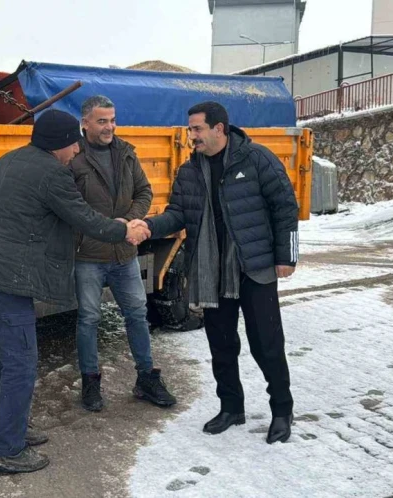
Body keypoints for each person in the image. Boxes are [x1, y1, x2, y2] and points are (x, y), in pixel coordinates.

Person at [0, 109, 150, 474]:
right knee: (21, 363)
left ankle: (9, 430)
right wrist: (124, 230)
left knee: (5, 359)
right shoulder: (53, 173)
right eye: (73, 143)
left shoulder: (6, 162)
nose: (77, 150)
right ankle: (9, 451)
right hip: (8, 279)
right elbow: (83, 218)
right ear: (60, 143)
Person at [136, 101, 299, 444]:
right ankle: (231, 407)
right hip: (211, 270)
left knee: (267, 345)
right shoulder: (189, 171)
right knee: (221, 344)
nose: (191, 135)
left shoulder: (257, 160)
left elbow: (286, 207)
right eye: (190, 129)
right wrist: (148, 226)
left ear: (219, 129)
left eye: (196, 129)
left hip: (254, 267)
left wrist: (288, 257)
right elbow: (178, 214)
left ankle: (282, 411)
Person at [70, 95, 177, 412]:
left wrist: (131, 220)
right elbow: (72, 207)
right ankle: (90, 383)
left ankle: (146, 378)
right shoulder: (74, 158)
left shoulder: (126, 153)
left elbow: (144, 191)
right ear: (85, 122)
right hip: (88, 254)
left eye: (112, 120)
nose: (109, 127)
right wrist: (112, 226)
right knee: (89, 318)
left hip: (124, 253)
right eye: (102, 121)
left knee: (137, 315)